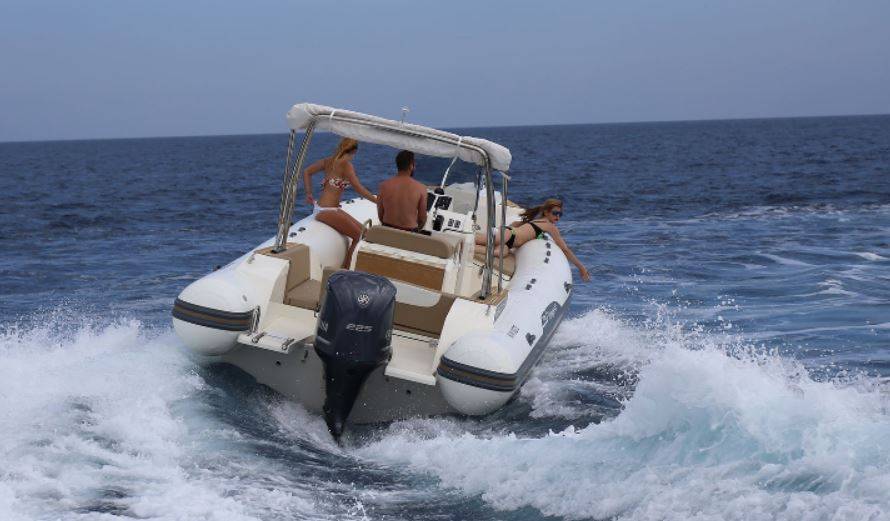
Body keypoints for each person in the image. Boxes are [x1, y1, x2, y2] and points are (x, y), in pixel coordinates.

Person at [303, 138, 377, 268]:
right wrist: (377, 201)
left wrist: (309, 193)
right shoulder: (346, 165)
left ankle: (351, 267)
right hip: (326, 211)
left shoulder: (328, 161)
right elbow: (359, 188)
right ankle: (346, 271)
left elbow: (307, 172)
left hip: (325, 208)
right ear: (354, 151)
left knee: (366, 232)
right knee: (359, 236)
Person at [476, 198, 591, 281]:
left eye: (560, 214)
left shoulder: (538, 221)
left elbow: (519, 224)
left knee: (500, 252)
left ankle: (469, 248)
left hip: (509, 239)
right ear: (546, 212)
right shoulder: (550, 226)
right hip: (508, 235)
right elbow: (565, 249)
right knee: (474, 239)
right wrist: (581, 268)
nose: (558, 217)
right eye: (555, 213)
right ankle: (464, 244)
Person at [376, 150, 428, 232]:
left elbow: (380, 215)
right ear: (411, 166)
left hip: (387, 231)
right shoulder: (421, 188)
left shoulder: (383, 186)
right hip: (408, 233)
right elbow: (422, 219)